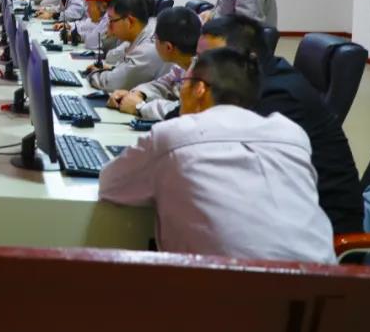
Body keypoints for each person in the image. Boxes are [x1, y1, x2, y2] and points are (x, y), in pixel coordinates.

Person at [99, 47, 336, 263]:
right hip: (326, 285)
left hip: (224, 289)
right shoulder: (292, 133)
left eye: (183, 83)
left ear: (199, 89)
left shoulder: (174, 136)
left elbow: (110, 185)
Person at [198, 14, 364, 235]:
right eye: (200, 59)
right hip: (285, 210)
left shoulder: (278, 98)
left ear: (249, 58)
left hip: (322, 230)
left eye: (214, 60)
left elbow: (231, 159)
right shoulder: (254, 80)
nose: (201, 69)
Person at [107, 6, 201, 120]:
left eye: (155, 38)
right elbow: (163, 84)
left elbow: (182, 110)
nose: (153, 43)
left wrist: (140, 107)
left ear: (168, 47)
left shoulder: (202, 75)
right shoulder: (182, 65)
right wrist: (138, 94)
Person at [85, 0, 171, 92]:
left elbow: (112, 83)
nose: (108, 25)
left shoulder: (148, 47)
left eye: (111, 20)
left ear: (130, 21)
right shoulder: (145, 30)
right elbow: (120, 63)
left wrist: (93, 73)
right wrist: (111, 70)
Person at [54, 0, 118, 50]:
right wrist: (71, 28)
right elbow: (87, 25)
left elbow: (91, 42)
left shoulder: (109, 20)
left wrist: (78, 36)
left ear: (103, 6)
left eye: (89, 5)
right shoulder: (102, 17)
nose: (87, 9)